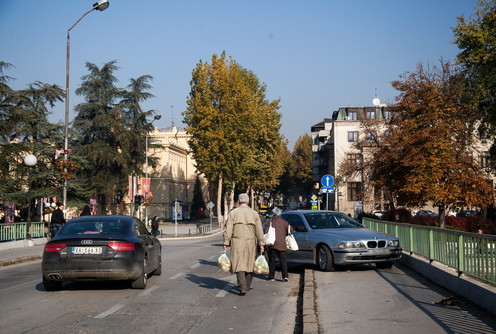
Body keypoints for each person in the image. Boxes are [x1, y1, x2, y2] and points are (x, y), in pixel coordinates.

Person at [223, 193, 265, 295]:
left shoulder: (233, 213)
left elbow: (228, 229)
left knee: (239, 264)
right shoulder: (254, 213)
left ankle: (242, 286)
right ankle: (247, 285)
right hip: (251, 242)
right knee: (250, 264)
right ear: (248, 201)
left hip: (237, 241)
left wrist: (226, 242)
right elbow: (259, 230)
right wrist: (261, 243)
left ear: (239, 201)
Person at [264, 207, 292, 282]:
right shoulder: (284, 222)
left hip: (272, 244)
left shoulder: (270, 221)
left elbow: (265, 231)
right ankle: (285, 276)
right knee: (283, 261)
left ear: (273, 213)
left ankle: (271, 276)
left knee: (271, 260)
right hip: (282, 244)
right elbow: (290, 230)